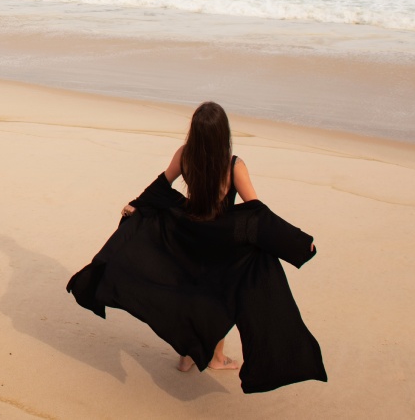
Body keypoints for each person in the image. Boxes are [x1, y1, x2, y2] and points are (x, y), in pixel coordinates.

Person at [66, 101, 326, 394]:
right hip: (222, 242)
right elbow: (257, 213)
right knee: (220, 297)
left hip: (188, 234)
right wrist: (300, 243)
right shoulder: (234, 165)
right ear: (222, 133)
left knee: (190, 293)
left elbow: (160, 187)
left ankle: (187, 356)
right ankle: (215, 358)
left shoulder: (185, 155)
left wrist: (137, 206)